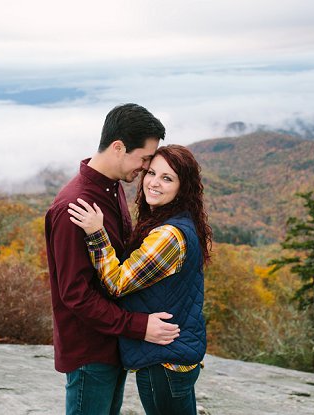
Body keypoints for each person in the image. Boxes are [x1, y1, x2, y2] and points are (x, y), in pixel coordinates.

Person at [45, 103, 181, 415]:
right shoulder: (73, 207)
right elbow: (75, 296)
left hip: (113, 343)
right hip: (89, 351)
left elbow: (119, 263)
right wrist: (138, 326)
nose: (146, 168)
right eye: (144, 158)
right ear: (118, 147)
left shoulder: (113, 188)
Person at [68, 144, 212, 415]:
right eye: (151, 173)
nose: (153, 183)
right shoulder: (176, 221)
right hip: (176, 358)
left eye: (167, 178)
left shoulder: (168, 235)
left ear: (184, 187)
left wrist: (97, 234)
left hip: (164, 364)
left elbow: (117, 283)